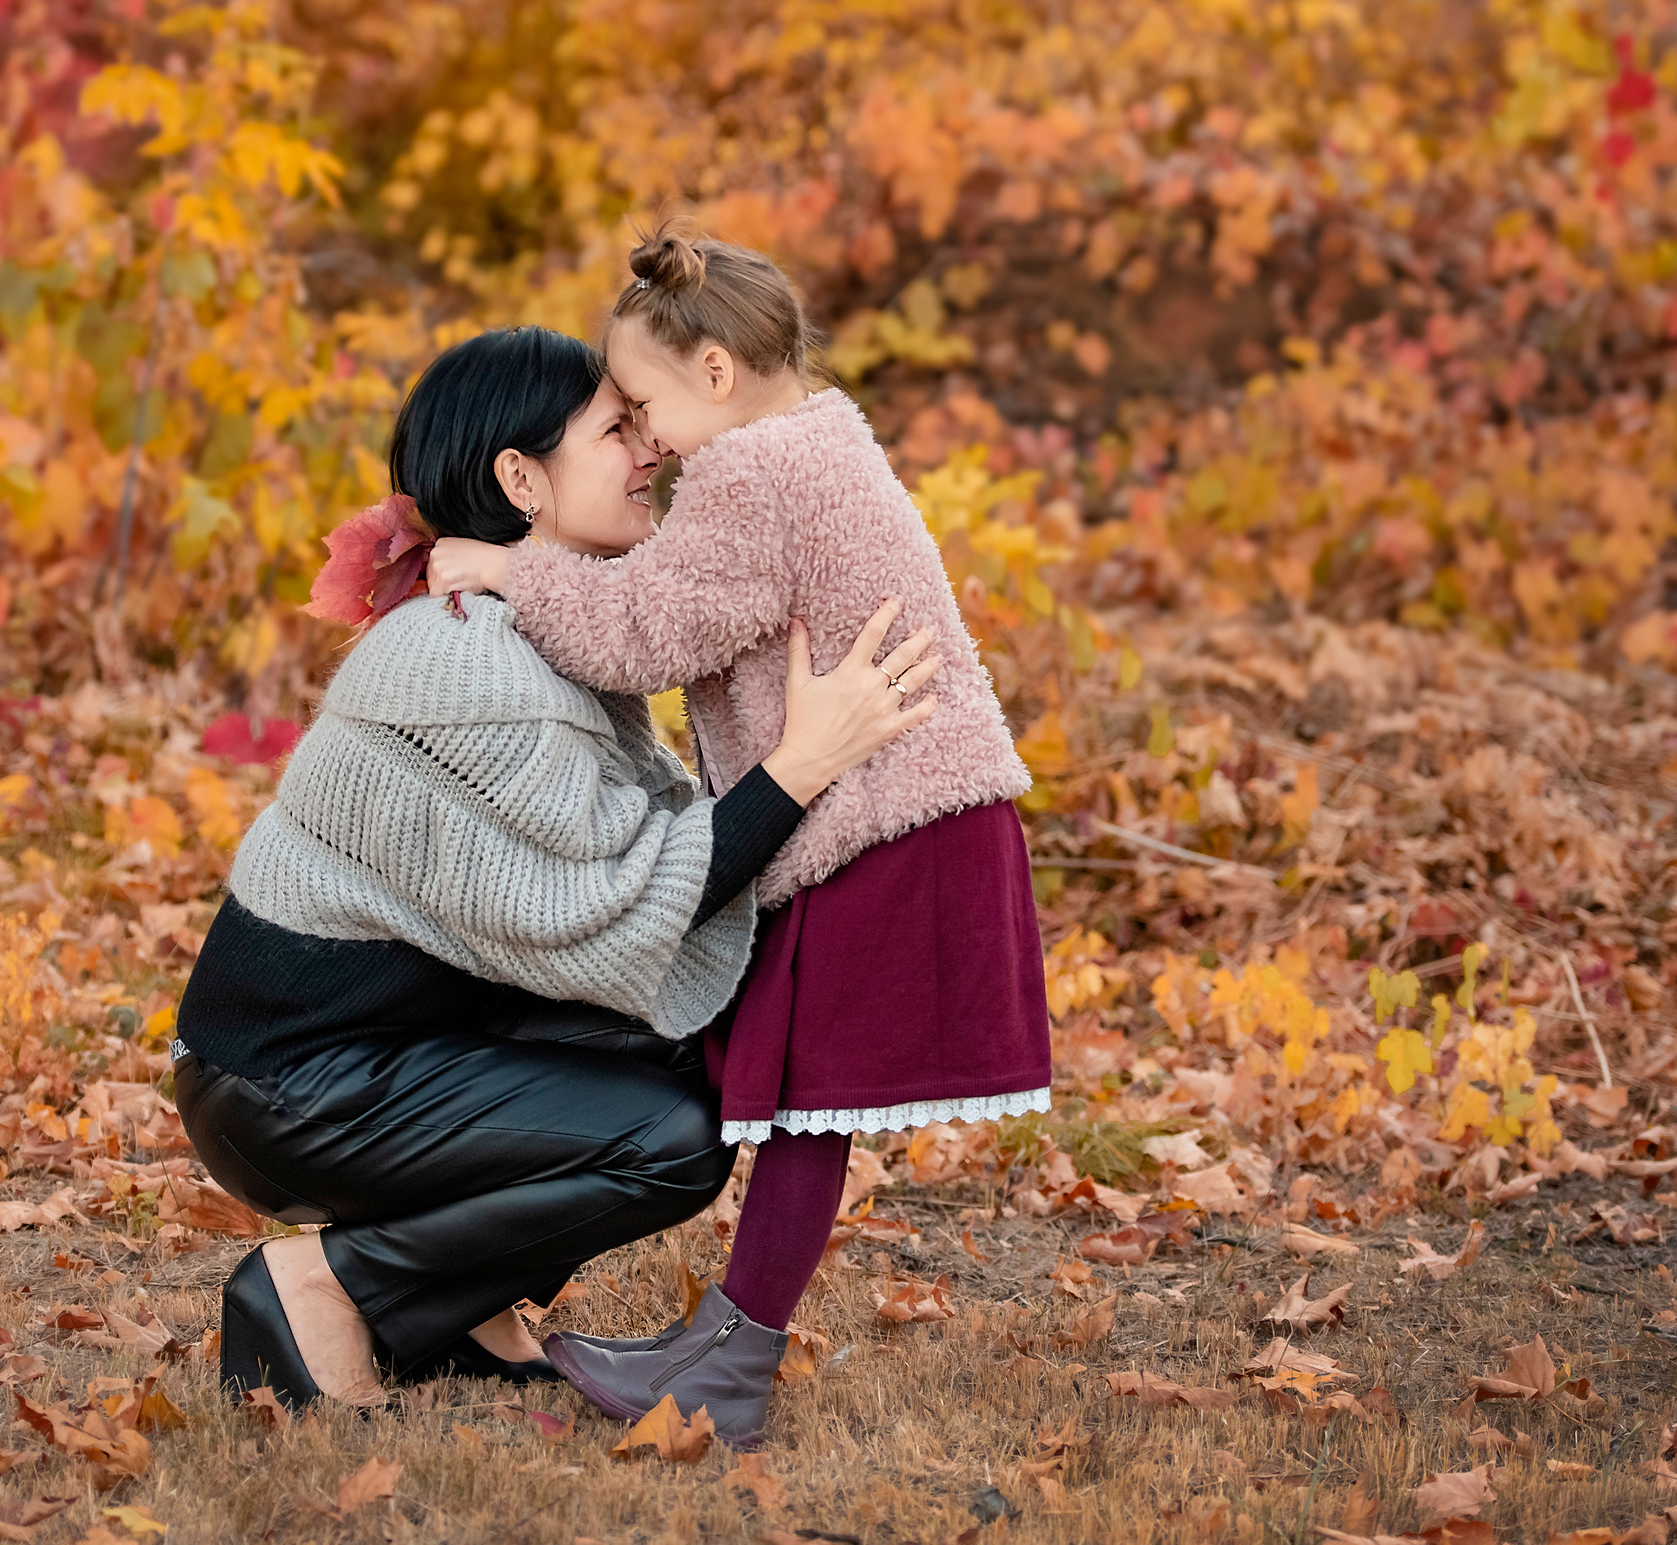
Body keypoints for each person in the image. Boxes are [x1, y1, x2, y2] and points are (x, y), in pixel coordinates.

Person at [171, 324, 942, 1413]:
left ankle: (459, 1307)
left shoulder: (535, 628)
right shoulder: (464, 659)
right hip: (287, 1085)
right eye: (615, 429)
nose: (649, 451)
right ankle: (325, 1280)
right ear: (521, 477)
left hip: (392, 1043)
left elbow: (635, 875)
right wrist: (804, 762)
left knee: (696, 1057)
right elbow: (614, 904)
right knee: (665, 1141)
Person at [428, 221, 1053, 1447]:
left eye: (645, 403)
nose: (644, 436)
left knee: (805, 1102)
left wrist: (511, 574)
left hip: (887, 821)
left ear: (714, 374)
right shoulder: (817, 441)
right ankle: (715, 1336)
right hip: (890, 810)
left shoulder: (754, 475)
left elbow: (646, 636)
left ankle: (730, 1357)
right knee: (770, 1086)